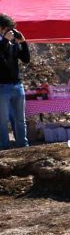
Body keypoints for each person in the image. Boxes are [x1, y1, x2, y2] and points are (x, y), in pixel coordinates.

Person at [0, 14, 29, 150]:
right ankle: (4, 146)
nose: (10, 32)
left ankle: (23, 145)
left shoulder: (12, 43)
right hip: (2, 86)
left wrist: (23, 42)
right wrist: (5, 41)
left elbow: (26, 59)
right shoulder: (3, 43)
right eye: (7, 29)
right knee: (2, 120)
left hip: (17, 85)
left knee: (20, 119)